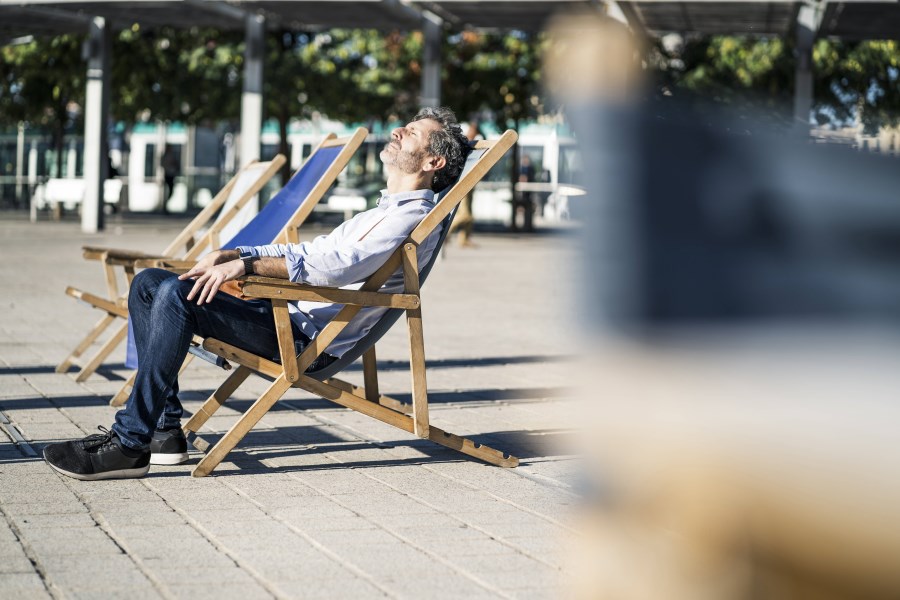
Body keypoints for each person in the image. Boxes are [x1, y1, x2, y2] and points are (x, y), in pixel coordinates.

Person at [43, 107, 471, 481]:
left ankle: (129, 443)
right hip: (280, 317)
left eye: (412, 132)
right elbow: (312, 251)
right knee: (149, 284)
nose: (398, 131)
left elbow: (338, 267)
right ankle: (164, 432)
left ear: (433, 160)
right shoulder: (379, 212)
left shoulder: (410, 219)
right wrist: (240, 251)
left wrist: (247, 267)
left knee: (176, 295)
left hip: (302, 340)